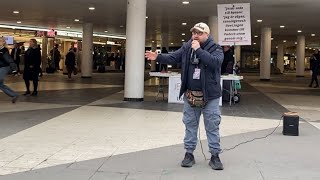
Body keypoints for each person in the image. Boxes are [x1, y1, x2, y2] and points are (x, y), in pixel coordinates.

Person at [145, 22, 224, 170]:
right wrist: (158, 57)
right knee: (190, 125)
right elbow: (173, 57)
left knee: (212, 125)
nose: (195, 35)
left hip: (210, 96)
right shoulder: (187, 47)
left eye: (199, 33)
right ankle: (189, 154)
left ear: (207, 34)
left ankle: (215, 156)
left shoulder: (216, 48)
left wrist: (199, 50)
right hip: (190, 95)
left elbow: (216, 63)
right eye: (194, 32)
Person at [0, 37, 19, 103]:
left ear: (3, 43)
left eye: (1, 41)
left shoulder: (4, 50)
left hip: (4, 68)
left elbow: (10, 60)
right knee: (1, 85)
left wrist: (14, 70)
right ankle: (14, 95)